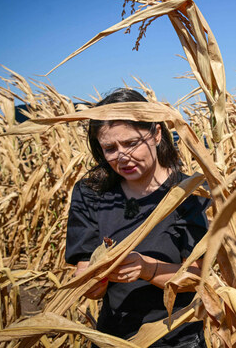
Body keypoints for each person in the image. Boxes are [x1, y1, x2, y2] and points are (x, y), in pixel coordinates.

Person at [65, 88, 209, 347]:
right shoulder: (91, 193)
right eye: (110, 148)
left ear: (156, 134)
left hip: (176, 337)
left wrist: (146, 268)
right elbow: (84, 266)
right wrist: (90, 283)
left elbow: (197, 278)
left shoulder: (191, 193)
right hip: (113, 336)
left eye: (131, 143)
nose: (122, 156)